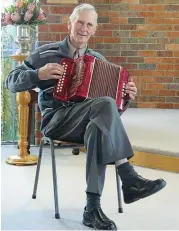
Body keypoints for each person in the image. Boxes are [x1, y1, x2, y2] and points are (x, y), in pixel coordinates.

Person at [6, 3, 166, 230]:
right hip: (57, 121)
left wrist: (126, 97)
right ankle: (129, 178)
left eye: (89, 24)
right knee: (102, 112)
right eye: (80, 22)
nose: (83, 28)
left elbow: (113, 113)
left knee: (98, 129)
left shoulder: (98, 60)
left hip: (88, 121)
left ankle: (92, 208)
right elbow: (10, 82)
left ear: (94, 30)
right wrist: (37, 74)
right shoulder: (45, 53)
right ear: (70, 23)